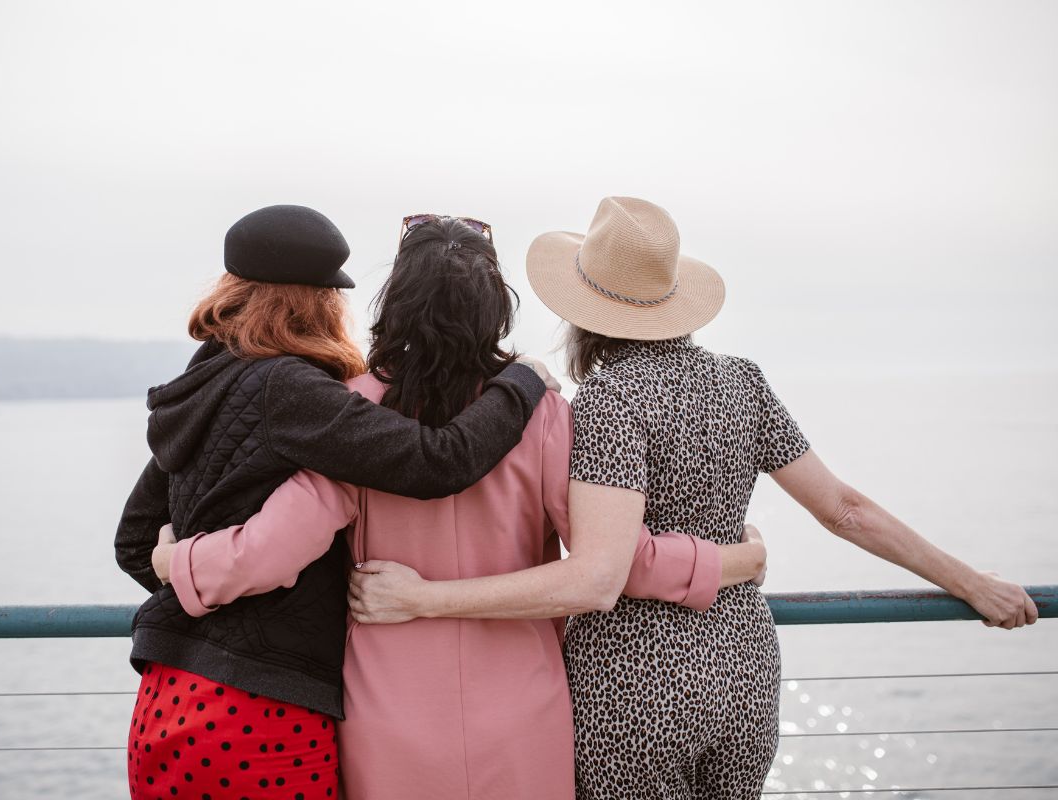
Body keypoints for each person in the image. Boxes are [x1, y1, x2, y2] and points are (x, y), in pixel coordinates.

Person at [349, 197, 1040, 800]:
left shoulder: (607, 401)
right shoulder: (743, 381)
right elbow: (844, 509)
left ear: (583, 310)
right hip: (743, 669)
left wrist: (423, 598)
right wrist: (970, 583)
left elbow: (599, 569)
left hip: (633, 688)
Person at [149, 214, 769, 799]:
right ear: (494, 309)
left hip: (389, 720)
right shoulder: (545, 415)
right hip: (523, 717)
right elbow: (618, 564)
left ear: (394, 302)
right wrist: (731, 560)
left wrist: (179, 559)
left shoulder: (354, 411)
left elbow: (268, 553)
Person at [114, 205, 560, 800]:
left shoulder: (209, 387)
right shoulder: (311, 397)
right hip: (277, 709)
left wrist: (182, 575)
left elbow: (141, 541)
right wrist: (524, 381)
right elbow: (440, 462)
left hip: (177, 697)